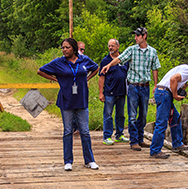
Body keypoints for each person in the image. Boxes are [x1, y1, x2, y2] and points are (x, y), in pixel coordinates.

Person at [38, 38, 99, 171]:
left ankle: (89, 160)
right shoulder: (59, 62)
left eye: (67, 47)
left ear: (74, 48)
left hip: (81, 100)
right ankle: (68, 161)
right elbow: (40, 71)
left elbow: (96, 68)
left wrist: (86, 79)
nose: (64, 50)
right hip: (66, 100)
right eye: (63, 48)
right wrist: (54, 79)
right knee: (67, 131)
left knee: (85, 131)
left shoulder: (84, 60)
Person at [100, 27, 160, 151]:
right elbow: (119, 59)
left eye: (137, 35)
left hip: (145, 86)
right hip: (133, 86)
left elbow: (155, 68)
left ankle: (140, 138)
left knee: (143, 115)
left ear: (144, 36)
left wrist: (155, 84)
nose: (135, 37)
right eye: (135, 35)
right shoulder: (132, 50)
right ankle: (134, 141)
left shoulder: (152, 51)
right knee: (132, 115)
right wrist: (109, 65)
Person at [150, 62, 188, 159]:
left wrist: (180, 87)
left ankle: (177, 144)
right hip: (164, 93)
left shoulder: (185, 68)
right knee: (162, 122)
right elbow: (173, 79)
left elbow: (174, 80)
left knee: (175, 118)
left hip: (163, 92)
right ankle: (155, 150)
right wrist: (175, 95)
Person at [98, 39, 129, 145]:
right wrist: (100, 93)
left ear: (118, 46)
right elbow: (101, 77)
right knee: (108, 114)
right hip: (109, 92)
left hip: (122, 92)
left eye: (112, 46)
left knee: (120, 115)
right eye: (109, 46)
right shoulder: (105, 61)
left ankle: (119, 135)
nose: (110, 48)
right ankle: (107, 136)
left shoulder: (124, 59)